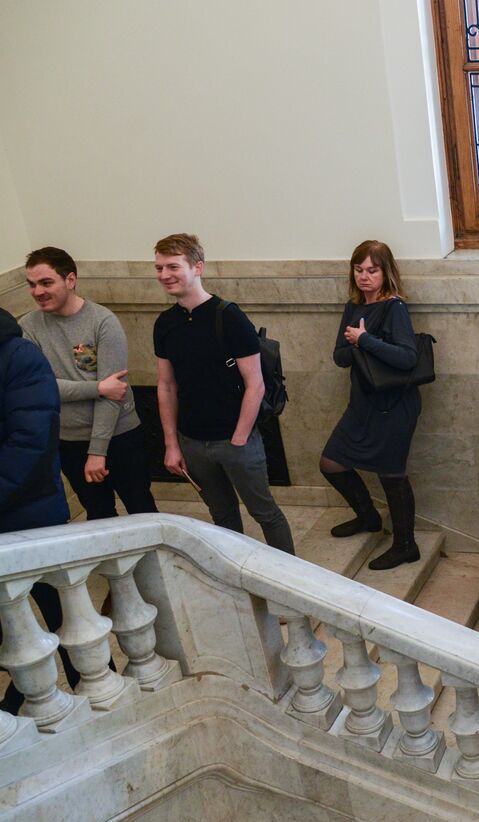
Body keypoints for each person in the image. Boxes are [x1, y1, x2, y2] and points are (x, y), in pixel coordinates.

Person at [152, 233, 294, 554]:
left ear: (197, 267)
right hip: (192, 442)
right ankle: (236, 573)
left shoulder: (228, 316)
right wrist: (172, 444)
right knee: (222, 515)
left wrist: (239, 438)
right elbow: (167, 385)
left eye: (173, 266)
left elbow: (255, 383)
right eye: (159, 268)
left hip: (235, 440)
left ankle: (292, 574)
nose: (164, 275)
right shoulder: (165, 323)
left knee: (265, 512)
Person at [20, 247, 157, 519]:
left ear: (70, 280)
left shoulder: (103, 322)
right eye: (32, 285)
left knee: (142, 512)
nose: (37, 292)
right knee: (98, 516)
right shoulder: (28, 327)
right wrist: (96, 388)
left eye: (46, 282)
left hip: (120, 437)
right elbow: (40, 389)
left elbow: (115, 393)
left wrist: (97, 451)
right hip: (70, 442)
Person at [320, 240, 422, 571]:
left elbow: (407, 358)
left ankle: (406, 545)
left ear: (386, 272)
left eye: (372, 270)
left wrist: (365, 340)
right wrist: (356, 345)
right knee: (330, 462)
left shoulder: (394, 308)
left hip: (394, 405)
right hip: (363, 403)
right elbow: (339, 356)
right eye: (359, 269)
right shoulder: (353, 307)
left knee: (392, 474)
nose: (364, 276)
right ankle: (368, 516)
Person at [0, 303, 76, 714]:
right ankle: (19, 696)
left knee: (65, 617)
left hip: (32, 514)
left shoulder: (19, 356)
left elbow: (30, 443)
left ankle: (92, 691)